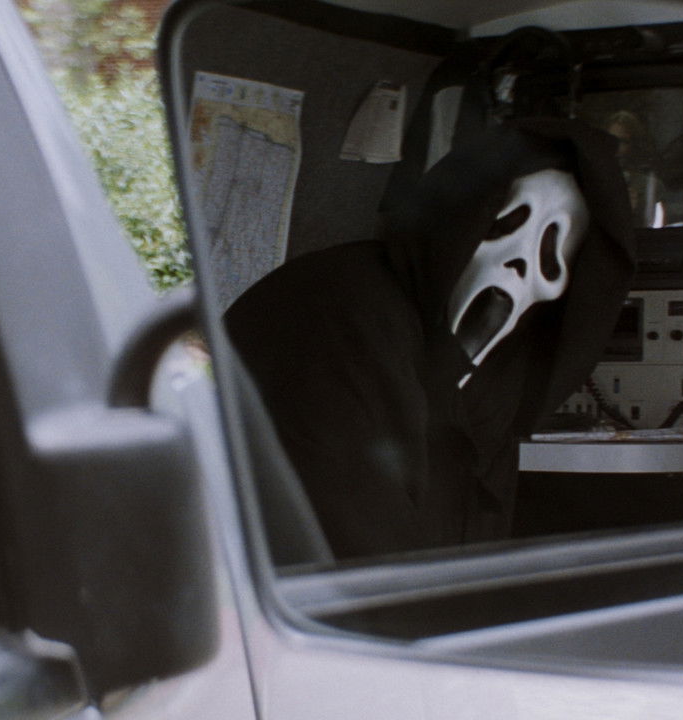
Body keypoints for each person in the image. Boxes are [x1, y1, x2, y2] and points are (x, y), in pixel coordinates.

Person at [225, 119, 634, 559]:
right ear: (455, 219)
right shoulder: (337, 308)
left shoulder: (498, 378)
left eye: (553, 250)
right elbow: (360, 550)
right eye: (503, 225)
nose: (518, 264)